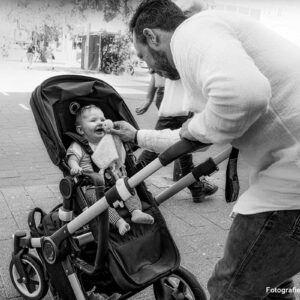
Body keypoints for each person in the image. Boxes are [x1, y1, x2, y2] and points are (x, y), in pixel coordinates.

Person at [109, 0, 300, 299]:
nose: (148, 66)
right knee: (273, 286)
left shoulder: (191, 33)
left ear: (152, 36)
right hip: (288, 179)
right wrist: (137, 136)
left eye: (143, 56)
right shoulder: (211, 32)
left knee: (230, 290)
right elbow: (197, 133)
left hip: (290, 190)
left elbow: (243, 96)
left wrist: (194, 130)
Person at [67, 104, 154, 236]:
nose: (100, 123)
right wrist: (75, 167)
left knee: (128, 183)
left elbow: (121, 154)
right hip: (93, 186)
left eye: (102, 119)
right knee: (95, 200)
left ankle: (136, 211)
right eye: (93, 120)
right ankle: (119, 222)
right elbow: (72, 158)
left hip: (115, 182)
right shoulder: (79, 146)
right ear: (80, 130)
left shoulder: (110, 140)